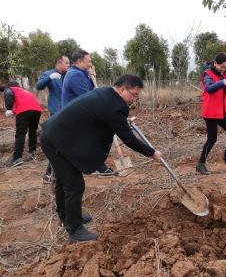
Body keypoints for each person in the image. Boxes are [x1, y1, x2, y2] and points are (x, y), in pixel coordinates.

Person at [40, 74, 162, 242]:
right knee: (74, 186)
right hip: (57, 141)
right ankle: (75, 230)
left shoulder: (106, 93)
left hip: (57, 136)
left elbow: (104, 114)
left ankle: (67, 218)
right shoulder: (115, 106)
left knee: (64, 182)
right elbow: (129, 139)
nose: (135, 99)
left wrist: (119, 119)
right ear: (121, 89)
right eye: (133, 95)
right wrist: (151, 152)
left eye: (137, 96)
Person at [62, 49, 112, 175]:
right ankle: (100, 167)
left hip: (78, 114)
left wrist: (91, 76)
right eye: (88, 61)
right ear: (79, 61)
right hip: (75, 115)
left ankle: (99, 166)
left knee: (82, 141)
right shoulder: (75, 75)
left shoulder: (80, 73)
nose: (90, 64)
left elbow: (90, 90)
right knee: (89, 139)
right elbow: (88, 96)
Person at [196, 52, 226, 175]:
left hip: (220, 111)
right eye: (222, 67)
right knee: (212, 139)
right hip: (210, 112)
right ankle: (200, 164)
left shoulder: (225, 75)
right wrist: (224, 82)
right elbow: (209, 88)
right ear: (215, 64)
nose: (224, 70)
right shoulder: (208, 74)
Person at [36, 55, 70, 181]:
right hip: (56, 112)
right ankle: (50, 172)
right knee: (58, 141)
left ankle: (54, 171)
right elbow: (39, 86)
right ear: (59, 63)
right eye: (66, 63)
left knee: (65, 141)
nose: (68, 65)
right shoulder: (49, 74)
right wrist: (49, 78)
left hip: (69, 112)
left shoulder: (69, 75)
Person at [3, 81, 42, 167]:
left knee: (20, 134)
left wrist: (9, 108)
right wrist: (13, 111)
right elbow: (26, 104)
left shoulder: (10, 89)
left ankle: (17, 158)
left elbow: (8, 94)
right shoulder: (25, 91)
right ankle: (32, 153)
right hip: (37, 111)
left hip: (24, 111)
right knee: (32, 132)